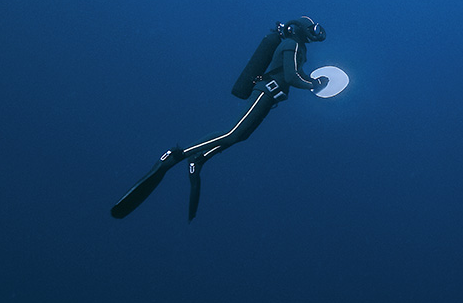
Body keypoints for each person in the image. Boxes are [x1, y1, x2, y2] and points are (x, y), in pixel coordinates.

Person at [111, 17, 329, 222]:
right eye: (311, 30)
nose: (314, 34)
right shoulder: (293, 45)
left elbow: (294, 73)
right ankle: (176, 156)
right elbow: (291, 76)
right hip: (265, 93)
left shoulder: (297, 47)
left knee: (240, 136)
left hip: (270, 96)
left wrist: (312, 80)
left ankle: (199, 159)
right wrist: (312, 84)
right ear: (300, 30)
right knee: (232, 133)